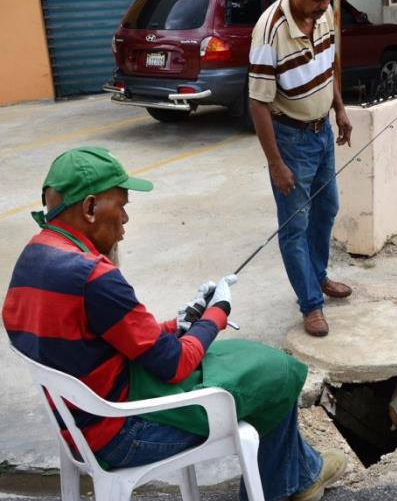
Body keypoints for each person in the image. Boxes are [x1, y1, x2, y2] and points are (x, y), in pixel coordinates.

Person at [2, 147, 346, 501]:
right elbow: (174, 363)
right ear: (90, 207)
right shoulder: (94, 276)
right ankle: (286, 484)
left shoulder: (34, 256)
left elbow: (114, 334)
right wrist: (217, 313)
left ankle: (300, 474)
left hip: (79, 422)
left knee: (254, 363)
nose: (125, 220)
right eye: (121, 206)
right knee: (276, 373)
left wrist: (182, 322)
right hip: (124, 434)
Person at [248, 0, 354, 337]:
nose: (324, 5)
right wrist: (275, 163)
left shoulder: (324, 14)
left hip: (322, 131)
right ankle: (310, 303)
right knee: (295, 226)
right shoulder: (269, 31)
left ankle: (318, 276)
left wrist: (339, 108)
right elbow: (258, 103)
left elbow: (327, 66)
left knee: (327, 207)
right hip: (291, 140)